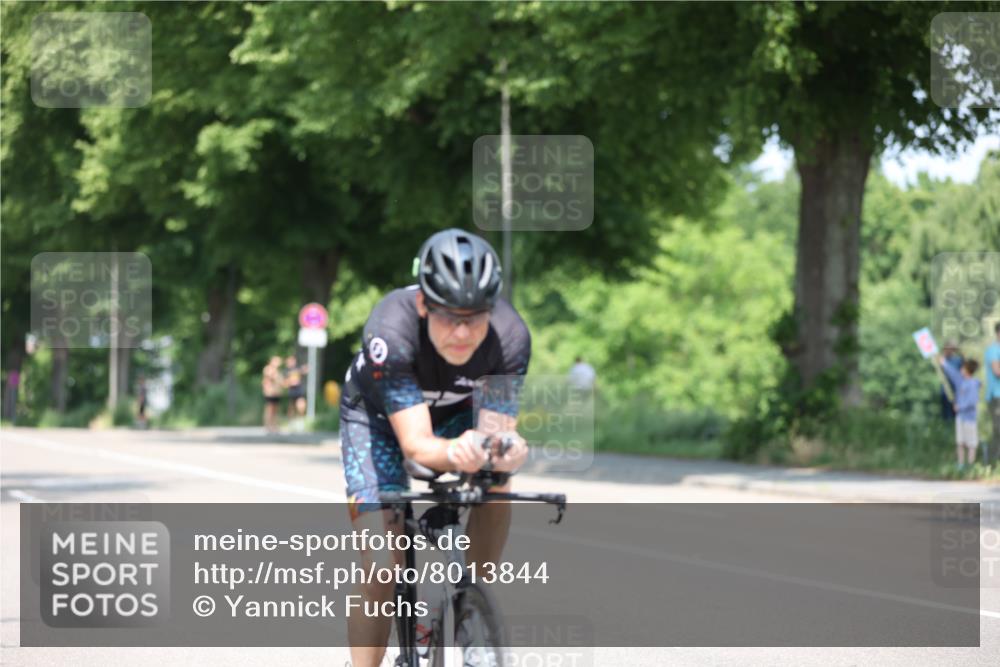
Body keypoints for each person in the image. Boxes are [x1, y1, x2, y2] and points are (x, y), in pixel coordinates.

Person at [338, 228, 530, 667]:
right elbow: (417, 446)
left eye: (475, 317)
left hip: (457, 414)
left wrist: (503, 450)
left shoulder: (511, 336)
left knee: (497, 474)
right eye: (448, 317)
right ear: (424, 304)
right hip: (378, 420)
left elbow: (495, 434)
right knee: (382, 564)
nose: (462, 332)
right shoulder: (391, 328)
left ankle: (472, 605)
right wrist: (457, 450)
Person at [937, 354, 982, 471]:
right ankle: (960, 465)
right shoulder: (960, 381)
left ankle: (971, 466)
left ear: (967, 370)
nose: (960, 369)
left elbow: (972, 401)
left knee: (971, 443)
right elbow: (952, 373)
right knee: (960, 442)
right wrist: (944, 363)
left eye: (963, 367)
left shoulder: (973, 384)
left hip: (969, 419)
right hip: (960, 418)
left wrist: (960, 407)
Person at [986, 322, 1000, 464]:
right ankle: (992, 462)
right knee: (998, 429)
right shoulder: (993, 350)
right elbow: (997, 371)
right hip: (996, 396)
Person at [939, 342, 963, 422]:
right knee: (946, 416)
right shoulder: (942, 359)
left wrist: (944, 364)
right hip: (945, 391)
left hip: (956, 392)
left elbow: (955, 375)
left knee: (956, 415)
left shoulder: (957, 360)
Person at [261, 356, 283, 433]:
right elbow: (270, 378)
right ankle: (268, 425)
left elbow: (280, 381)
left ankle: (274, 425)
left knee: (275, 410)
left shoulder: (277, 371)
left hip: (276, 392)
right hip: (270, 393)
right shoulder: (268, 369)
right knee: (269, 409)